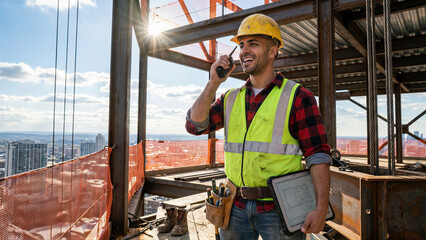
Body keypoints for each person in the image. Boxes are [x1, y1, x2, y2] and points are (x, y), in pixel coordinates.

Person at [185, 13, 331, 240]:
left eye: (253, 43)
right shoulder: (230, 98)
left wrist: (321, 207)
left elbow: (318, 155)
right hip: (234, 207)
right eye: (242, 45)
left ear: (273, 51)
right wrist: (213, 82)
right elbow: (194, 125)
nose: (244, 50)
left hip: (279, 209)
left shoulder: (298, 96)